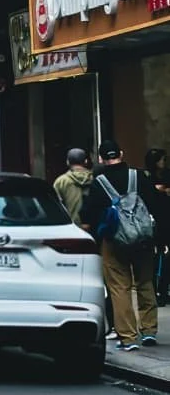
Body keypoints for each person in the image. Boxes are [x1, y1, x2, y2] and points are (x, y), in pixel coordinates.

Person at [82, 139, 159, 350]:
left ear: (100, 158)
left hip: (114, 241)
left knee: (119, 288)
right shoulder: (139, 176)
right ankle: (149, 330)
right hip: (142, 239)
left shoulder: (100, 182)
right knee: (145, 283)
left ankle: (128, 337)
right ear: (121, 154)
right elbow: (154, 204)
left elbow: (88, 212)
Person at [146, 148, 170, 305]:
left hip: (166, 218)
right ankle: (154, 290)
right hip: (154, 220)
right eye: (161, 160)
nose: (164, 162)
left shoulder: (167, 174)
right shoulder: (147, 177)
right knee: (153, 258)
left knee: (166, 257)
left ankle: (163, 288)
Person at [53, 147, 93, 226]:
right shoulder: (95, 179)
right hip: (94, 228)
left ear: (67, 162)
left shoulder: (61, 181)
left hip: (71, 228)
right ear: (86, 161)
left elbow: (55, 208)